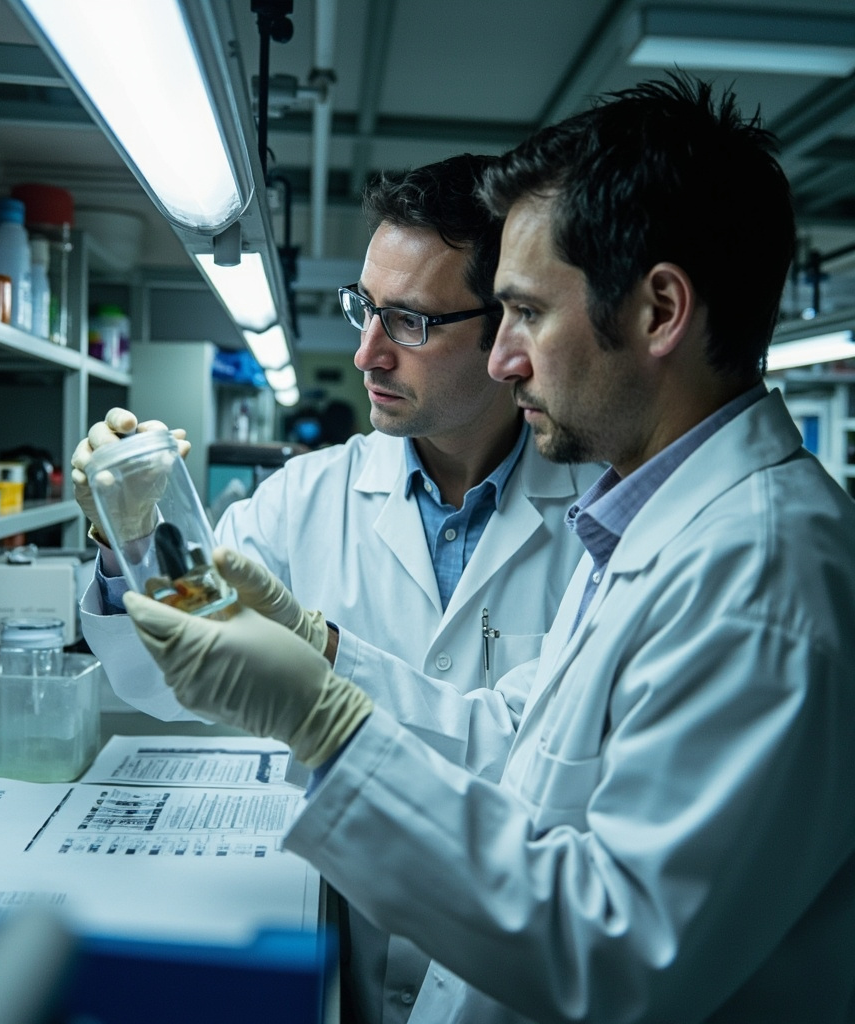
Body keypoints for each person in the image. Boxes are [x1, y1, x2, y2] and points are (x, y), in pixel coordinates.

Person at [119, 74, 855, 1023]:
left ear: (660, 311)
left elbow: (616, 955)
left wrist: (326, 724)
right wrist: (321, 656)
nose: (506, 359)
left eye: (529, 313)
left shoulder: (762, 576)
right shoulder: (654, 531)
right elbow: (507, 743)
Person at [72, 153, 598, 1024]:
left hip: (517, 984)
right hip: (342, 950)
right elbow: (169, 667)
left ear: (507, 328)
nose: (365, 352)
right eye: (364, 308)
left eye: (410, 322)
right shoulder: (305, 498)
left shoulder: (600, 523)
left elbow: (532, 764)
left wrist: (324, 671)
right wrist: (132, 536)